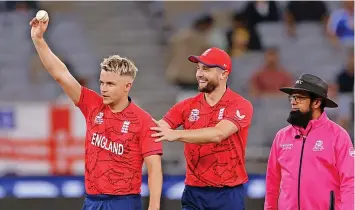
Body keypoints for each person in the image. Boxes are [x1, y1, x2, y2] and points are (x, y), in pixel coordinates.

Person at [29, 14, 163, 210]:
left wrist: (154, 207)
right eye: (102, 82)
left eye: (110, 84)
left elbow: (154, 169)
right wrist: (38, 40)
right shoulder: (93, 105)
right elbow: (61, 75)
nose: (104, 88)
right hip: (91, 201)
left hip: (123, 202)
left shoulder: (144, 122)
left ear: (127, 86)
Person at [151, 47, 254, 210]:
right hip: (194, 192)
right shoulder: (186, 106)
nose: (199, 74)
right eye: (198, 68)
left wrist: (175, 135)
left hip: (227, 193)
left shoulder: (240, 104)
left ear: (224, 74)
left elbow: (219, 133)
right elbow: (158, 128)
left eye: (206, 69)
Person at [264, 73, 354, 210]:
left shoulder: (338, 136)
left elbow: (350, 181)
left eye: (299, 98)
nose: (293, 101)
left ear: (317, 102)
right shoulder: (281, 136)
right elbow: (272, 182)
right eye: (292, 97)